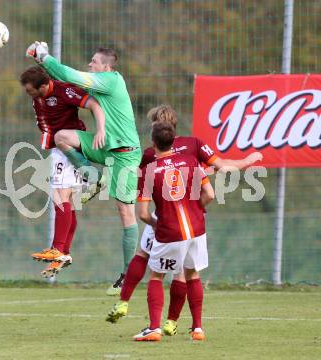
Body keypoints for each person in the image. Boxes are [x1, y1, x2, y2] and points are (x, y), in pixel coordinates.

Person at [106, 105, 263, 335]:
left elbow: (142, 203)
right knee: (187, 272)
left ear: (155, 131)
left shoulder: (150, 155)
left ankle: (136, 312)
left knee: (147, 260)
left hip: (164, 220)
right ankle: (184, 324)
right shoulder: (193, 147)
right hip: (193, 222)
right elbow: (221, 170)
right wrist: (248, 160)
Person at [27, 43, 142, 294]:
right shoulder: (98, 82)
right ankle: (94, 176)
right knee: (62, 137)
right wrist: (43, 63)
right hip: (103, 145)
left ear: (106, 67)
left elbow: (69, 75)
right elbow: (60, 81)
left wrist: (44, 56)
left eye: (94, 62)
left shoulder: (109, 80)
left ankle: (128, 276)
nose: (90, 65)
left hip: (125, 153)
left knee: (125, 213)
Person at [132, 121, 215, 341]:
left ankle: (154, 328)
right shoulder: (191, 161)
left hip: (170, 232)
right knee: (192, 274)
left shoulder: (149, 171)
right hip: (197, 229)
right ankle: (197, 329)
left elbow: (142, 213)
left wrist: (156, 224)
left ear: (153, 142)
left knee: (157, 276)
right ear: (174, 141)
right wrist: (196, 210)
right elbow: (210, 194)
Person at [21, 66, 105, 278]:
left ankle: (57, 249)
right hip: (60, 148)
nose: (28, 94)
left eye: (31, 90)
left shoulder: (63, 91)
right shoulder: (42, 93)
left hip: (67, 148)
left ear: (43, 86)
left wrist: (101, 130)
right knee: (68, 202)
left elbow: (93, 103)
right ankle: (64, 253)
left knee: (60, 197)